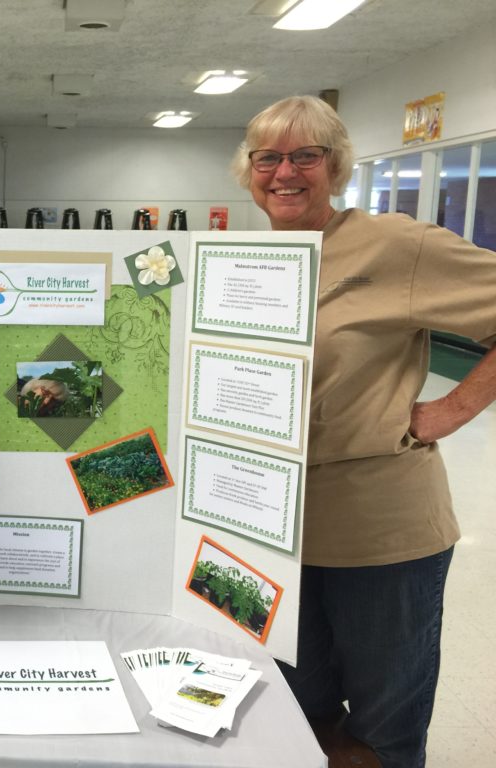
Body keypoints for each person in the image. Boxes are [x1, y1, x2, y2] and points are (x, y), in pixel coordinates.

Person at [231, 95, 496, 767]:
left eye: (305, 156)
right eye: (268, 157)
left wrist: (452, 409)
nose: (284, 172)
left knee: (383, 730)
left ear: (336, 166)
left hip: (381, 533)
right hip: (270, 530)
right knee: (294, 712)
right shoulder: (244, 266)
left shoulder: (396, 244)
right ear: (249, 171)